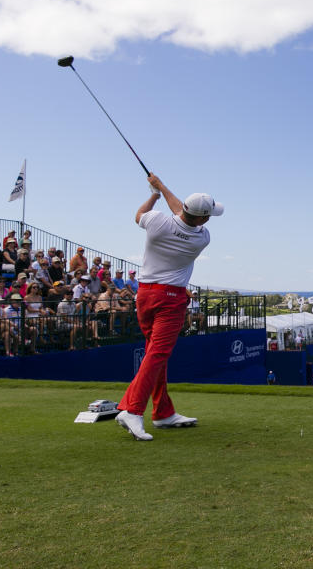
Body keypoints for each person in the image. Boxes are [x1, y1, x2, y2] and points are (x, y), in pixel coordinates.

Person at [115, 173, 223, 441]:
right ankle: (132, 409)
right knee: (158, 354)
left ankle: (163, 412)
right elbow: (183, 213)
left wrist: (155, 191)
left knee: (156, 354)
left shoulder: (157, 221)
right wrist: (160, 186)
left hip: (144, 296)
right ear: (203, 219)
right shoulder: (202, 238)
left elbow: (141, 214)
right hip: (170, 300)